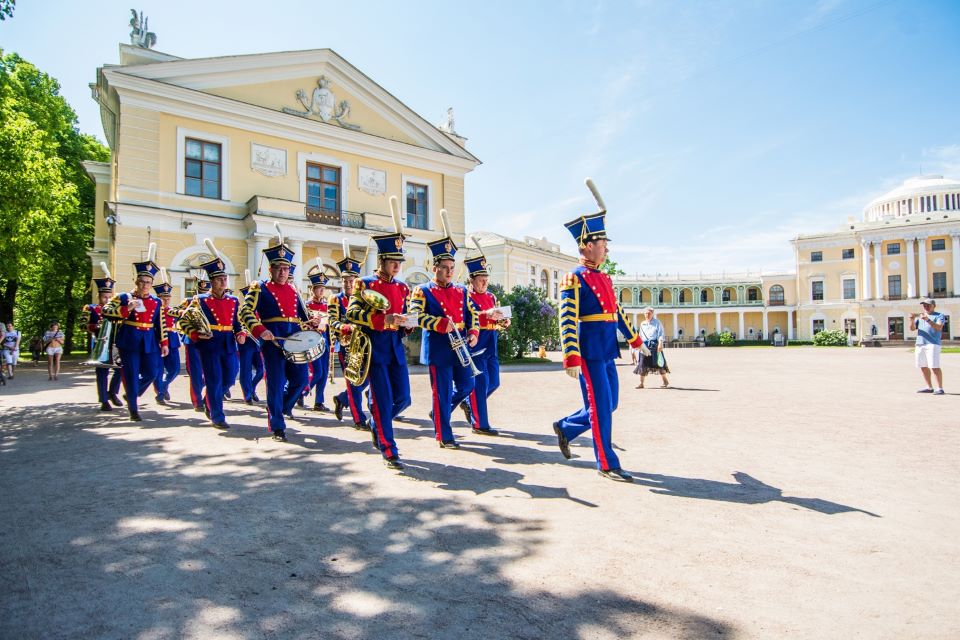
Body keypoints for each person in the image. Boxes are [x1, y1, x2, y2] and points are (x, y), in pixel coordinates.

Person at [552, 207, 644, 483]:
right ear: (588, 245)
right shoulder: (574, 277)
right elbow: (566, 317)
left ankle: (566, 427)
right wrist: (570, 354)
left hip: (607, 349)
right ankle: (607, 463)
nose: (606, 250)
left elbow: (616, 312)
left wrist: (635, 339)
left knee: (610, 403)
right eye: (603, 245)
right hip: (589, 350)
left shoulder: (604, 277)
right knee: (601, 406)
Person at [346, 231, 412, 469]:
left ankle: (377, 423)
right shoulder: (364, 284)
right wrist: (383, 320)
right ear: (381, 261)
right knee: (383, 401)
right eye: (392, 261)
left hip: (395, 347)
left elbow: (402, 317)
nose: (396, 266)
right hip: (373, 348)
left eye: (399, 261)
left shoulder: (403, 288)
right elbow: (351, 313)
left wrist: (407, 325)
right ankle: (388, 448)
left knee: (404, 398)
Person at [409, 235, 480, 449]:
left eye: (452, 267)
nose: (450, 271)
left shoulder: (462, 290)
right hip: (439, 347)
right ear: (434, 267)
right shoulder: (422, 290)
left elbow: (472, 313)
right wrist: (438, 323)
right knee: (441, 392)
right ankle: (444, 435)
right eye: (445, 267)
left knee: (468, 385)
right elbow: (414, 316)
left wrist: (474, 331)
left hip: (461, 346)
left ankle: (439, 412)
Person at [240, 240, 314, 442]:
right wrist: (260, 330)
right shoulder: (259, 287)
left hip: (295, 341)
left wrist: (313, 322)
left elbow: (303, 316)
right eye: (279, 268)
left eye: (286, 268)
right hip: (272, 342)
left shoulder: (293, 289)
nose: (283, 272)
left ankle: (279, 407)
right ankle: (277, 425)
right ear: (270, 269)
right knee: (276, 382)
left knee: (300, 379)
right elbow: (244, 311)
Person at [183, 248, 247, 429]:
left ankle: (207, 399)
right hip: (209, 344)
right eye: (219, 279)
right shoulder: (200, 300)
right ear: (211, 281)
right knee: (214, 380)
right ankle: (217, 416)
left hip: (228, 343)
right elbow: (184, 321)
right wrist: (195, 335)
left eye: (225, 278)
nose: (223, 282)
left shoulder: (233, 300)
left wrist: (240, 333)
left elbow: (236, 322)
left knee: (229, 378)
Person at [102, 251, 169, 420]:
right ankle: (133, 408)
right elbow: (106, 310)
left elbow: (160, 323)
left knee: (152, 373)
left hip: (149, 341)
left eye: (148, 282)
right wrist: (127, 309)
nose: (145, 285)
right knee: (130, 374)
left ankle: (133, 393)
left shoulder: (156, 301)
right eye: (142, 281)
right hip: (130, 339)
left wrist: (164, 342)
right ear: (136, 281)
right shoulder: (124, 297)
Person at [457, 254, 510, 435]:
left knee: (494, 382)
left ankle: (467, 403)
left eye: (486, 280)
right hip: (476, 340)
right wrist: (486, 314)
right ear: (471, 280)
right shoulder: (465, 295)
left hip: (491, 340)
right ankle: (480, 424)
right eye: (481, 280)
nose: (484, 283)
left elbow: (493, 317)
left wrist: (503, 321)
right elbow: (466, 318)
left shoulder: (491, 296)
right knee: (481, 383)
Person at [329, 248, 371, 431]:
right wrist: (345, 328)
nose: (348, 284)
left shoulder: (365, 298)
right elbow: (332, 321)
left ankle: (342, 399)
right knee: (353, 382)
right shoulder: (335, 299)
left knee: (367, 378)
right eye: (345, 281)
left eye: (351, 281)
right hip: (346, 345)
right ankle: (358, 418)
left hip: (363, 345)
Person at [81, 272, 124, 410]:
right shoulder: (91, 308)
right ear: (99, 296)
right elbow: (83, 325)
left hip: (115, 342)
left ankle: (112, 392)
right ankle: (104, 400)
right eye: (104, 297)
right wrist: (97, 326)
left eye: (109, 297)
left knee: (120, 369)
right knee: (102, 372)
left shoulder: (115, 309)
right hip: (100, 342)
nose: (107, 299)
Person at [304, 268, 332, 411]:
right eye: (318, 288)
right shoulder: (307, 305)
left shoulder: (327, 306)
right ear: (313, 290)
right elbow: (302, 324)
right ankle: (302, 391)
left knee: (324, 373)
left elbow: (329, 325)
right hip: (312, 340)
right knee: (317, 372)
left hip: (324, 340)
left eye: (323, 288)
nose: (321, 291)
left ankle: (318, 401)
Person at [237, 277, 265, 405]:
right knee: (246, 370)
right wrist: (244, 332)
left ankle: (252, 388)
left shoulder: (260, 312)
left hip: (257, 344)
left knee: (261, 370)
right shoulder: (242, 312)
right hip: (246, 344)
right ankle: (247, 395)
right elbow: (239, 326)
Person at [152, 280, 180, 406]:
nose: (166, 300)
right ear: (159, 298)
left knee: (175, 369)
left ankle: (163, 387)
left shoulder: (172, 311)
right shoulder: (154, 311)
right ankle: (160, 393)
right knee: (158, 370)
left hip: (172, 341)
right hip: (158, 340)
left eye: (168, 297)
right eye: (164, 298)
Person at [911, 297, 946, 395]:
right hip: (920, 343)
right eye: (924, 305)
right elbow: (912, 328)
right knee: (923, 366)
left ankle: (940, 388)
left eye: (928, 305)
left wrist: (928, 320)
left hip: (933, 344)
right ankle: (929, 387)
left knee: (934, 366)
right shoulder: (920, 317)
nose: (925, 307)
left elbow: (939, 327)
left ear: (933, 306)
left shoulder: (939, 315)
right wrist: (911, 320)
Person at [634, 306, 670, 389]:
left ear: (652, 314)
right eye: (646, 313)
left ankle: (665, 381)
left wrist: (660, 343)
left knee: (659, 363)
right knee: (642, 364)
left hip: (654, 345)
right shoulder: (642, 323)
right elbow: (640, 336)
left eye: (649, 313)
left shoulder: (657, 322)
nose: (647, 315)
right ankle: (641, 383)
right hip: (644, 346)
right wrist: (638, 345)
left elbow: (660, 334)